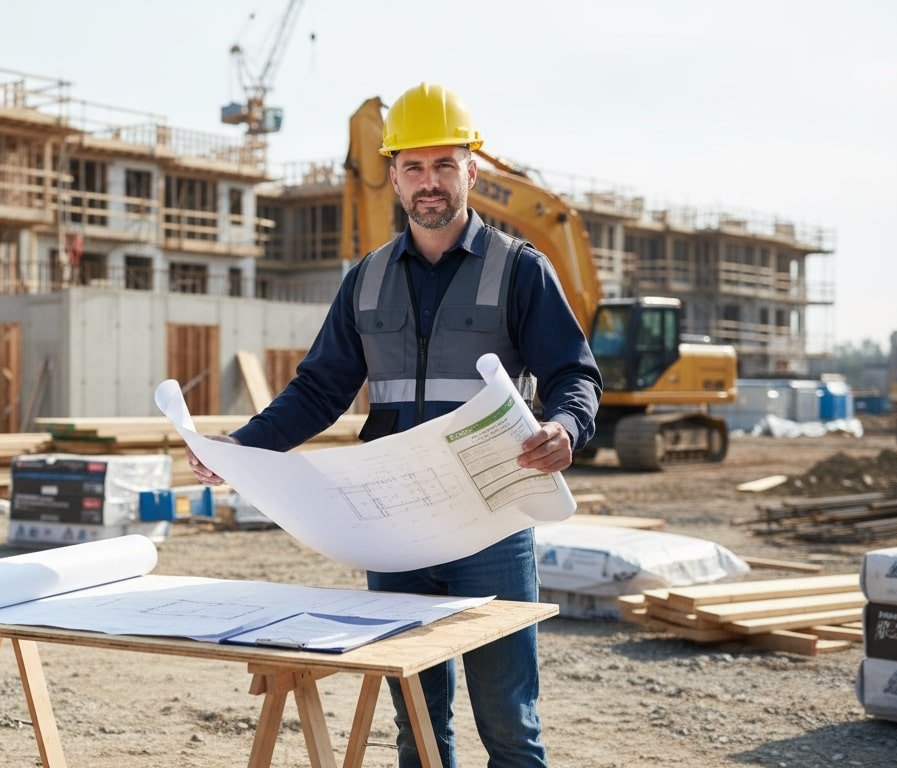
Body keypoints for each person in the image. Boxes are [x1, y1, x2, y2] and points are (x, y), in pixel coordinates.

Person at [187, 82, 601, 768]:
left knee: (510, 727)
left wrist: (566, 425)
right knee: (416, 721)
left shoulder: (520, 270)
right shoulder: (366, 279)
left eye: (444, 165)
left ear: (472, 169)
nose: (428, 182)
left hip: (490, 522)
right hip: (394, 528)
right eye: (413, 166)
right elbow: (318, 389)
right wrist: (240, 450)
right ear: (395, 175)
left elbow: (574, 375)